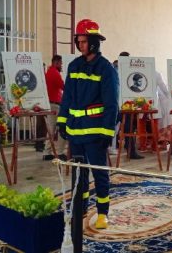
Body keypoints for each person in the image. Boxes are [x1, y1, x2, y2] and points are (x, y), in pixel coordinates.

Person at [57, 19, 118, 229]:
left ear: (93, 42)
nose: (80, 45)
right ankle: (80, 208)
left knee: (99, 173)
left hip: (95, 132)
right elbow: (67, 98)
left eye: (84, 41)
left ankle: (102, 213)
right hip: (75, 131)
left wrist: (107, 131)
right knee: (79, 174)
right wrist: (62, 121)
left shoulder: (106, 69)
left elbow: (111, 104)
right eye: (78, 41)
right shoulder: (74, 66)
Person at [42, 55, 67, 161]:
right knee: (62, 128)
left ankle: (47, 152)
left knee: (51, 129)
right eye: (61, 63)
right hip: (54, 105)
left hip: (50, 104)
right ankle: (60, 152)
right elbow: (64, 87)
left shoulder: (49, 72)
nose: (61, 66)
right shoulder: (55, 73)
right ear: (56, 63)